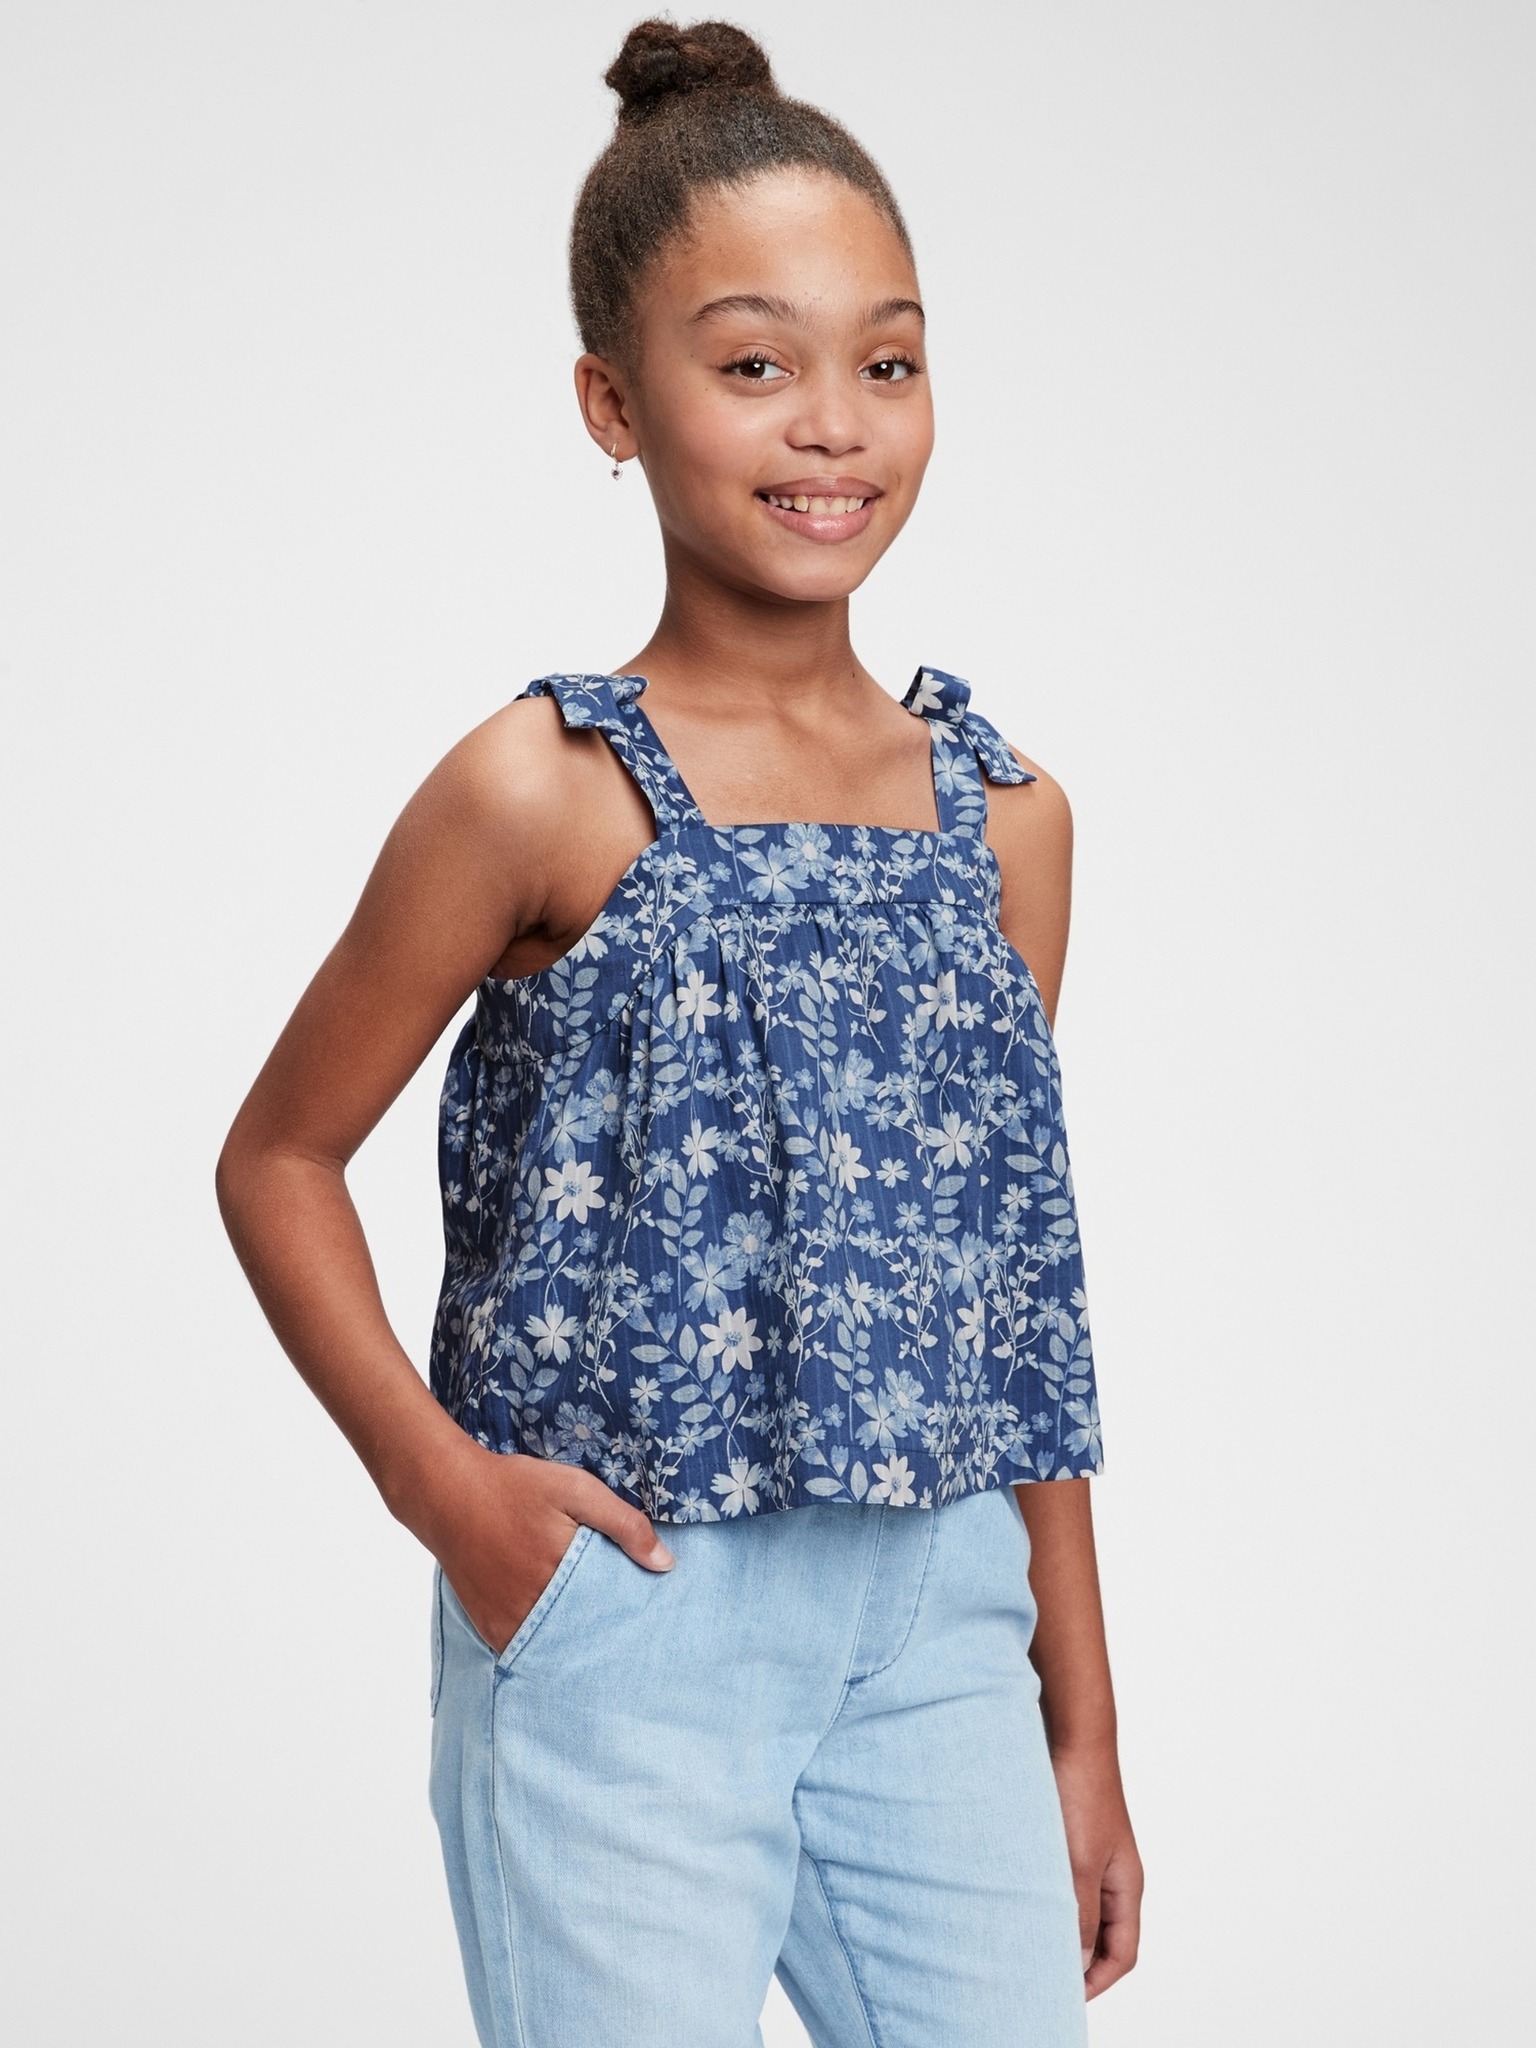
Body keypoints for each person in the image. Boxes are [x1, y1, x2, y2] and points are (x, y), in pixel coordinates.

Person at [216, 18, 1143, 2045]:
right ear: (612, 404)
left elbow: (1011, 1295)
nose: (833, 427)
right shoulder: (541, 789)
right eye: (753, 366)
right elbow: (276, 1159)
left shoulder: (1007, 820)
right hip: (633, 1620)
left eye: (887, 363)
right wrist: (451, 1499)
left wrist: (1080, 1721)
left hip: (942, 1626)